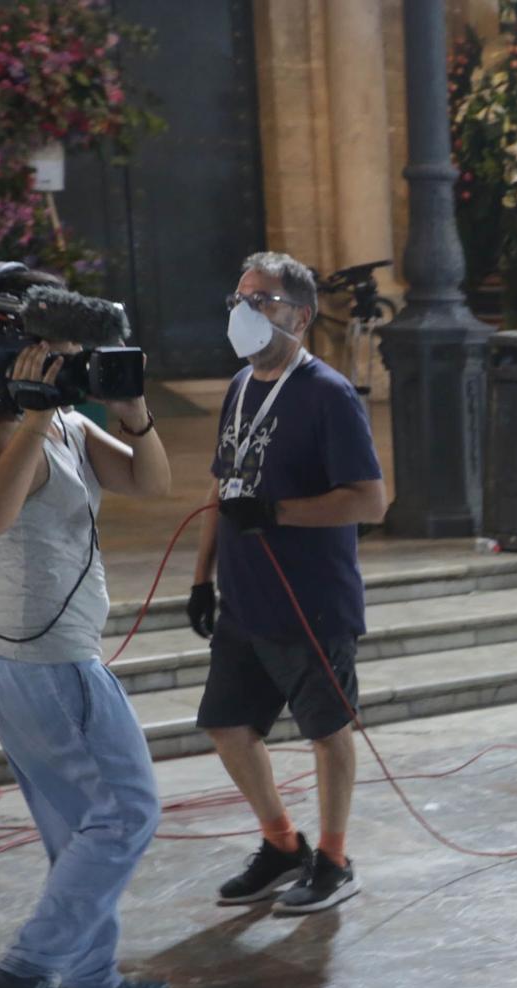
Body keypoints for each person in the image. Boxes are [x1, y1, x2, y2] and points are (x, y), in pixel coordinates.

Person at [0, 266, 173, 988]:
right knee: (129, 812)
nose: (71, 362)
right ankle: (29, 964)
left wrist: (131, 408)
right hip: (45, 661)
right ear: (23, 350)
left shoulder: (75, 429)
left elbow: (153, 480)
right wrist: (28, 418)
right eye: (60, 349)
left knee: (77, 822)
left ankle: (89, 974)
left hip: (23, 654)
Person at [187, 251, 387, 915]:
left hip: (310, 600)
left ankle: (333, 857)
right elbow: (221, 483)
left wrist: (279, 513)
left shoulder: (327, 394)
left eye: (261, 300)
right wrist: (201, 576)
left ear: (299, 317)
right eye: (238, 299)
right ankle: (281, 843)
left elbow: (369, 501)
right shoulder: (241, 386)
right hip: (245, 598)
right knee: (226, 723)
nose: (243, 312)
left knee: (326, 729)